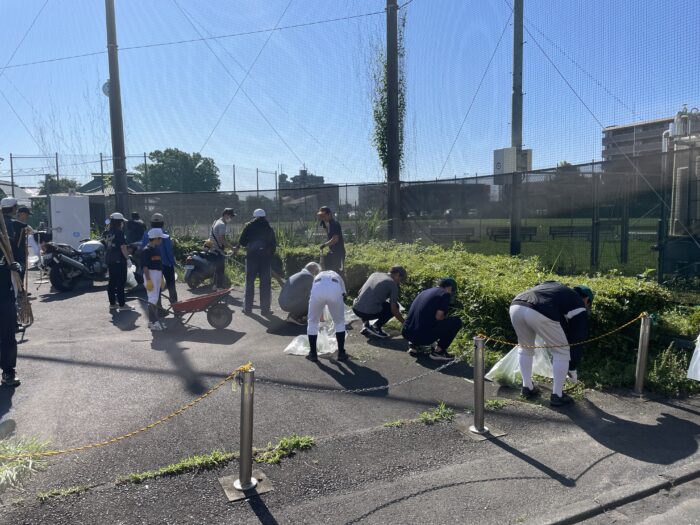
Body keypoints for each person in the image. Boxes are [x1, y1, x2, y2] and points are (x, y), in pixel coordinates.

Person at [509, 281, 594, 407]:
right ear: (586, 299)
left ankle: (527, 387)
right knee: (562, 351)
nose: (587, 307)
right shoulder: (579, 304)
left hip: (517, 304)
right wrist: (572, 367)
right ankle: (557, 395)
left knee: (525, 348)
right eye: (589, 304)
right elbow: (577, 338)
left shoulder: (559, 291)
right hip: (539, 309)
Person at [402, 278, 462, 361]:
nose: (452, 293)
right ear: (450, 288)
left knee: (421, 319)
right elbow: (439, 317)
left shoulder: (424, 292)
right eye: (453, 291)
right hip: (422, 337)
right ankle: (439, 352)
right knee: (456, 321)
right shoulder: (445, 294)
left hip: (407, 332)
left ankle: (414, 346)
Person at [238, 209, 277, 315]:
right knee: (265, 284)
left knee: (249, 283)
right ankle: (265, 310)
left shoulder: (249, 226)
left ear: (254, 216)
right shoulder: (269, 227)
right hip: (265, 260)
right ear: (264, 216)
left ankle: (247, 309)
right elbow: (273, 245)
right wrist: (269, 256)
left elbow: (242, 241)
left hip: (251, 258)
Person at [306, 269, 348, 362]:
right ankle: (341, 353)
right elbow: (344, 294)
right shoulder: (337, 276)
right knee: (339, 322)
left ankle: (313, 353)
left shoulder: (317, 276)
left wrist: (321, 318)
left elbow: (315, 296)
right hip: (335, 289)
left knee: (312, 322)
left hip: (317, 290)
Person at [353, 266, 407, 338]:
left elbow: (360, 292)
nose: (399, 281)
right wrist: (404, 322)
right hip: (367, 313)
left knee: (367, 300)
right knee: (396, 306)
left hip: (356, 309)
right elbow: (394, 310)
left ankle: (366, 325)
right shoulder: (393, 284)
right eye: (401, 278)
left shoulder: (375, 274)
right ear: (397, 274)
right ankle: (376, 327)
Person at [141, 213, 177, 304]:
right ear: (162, 223)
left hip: (153, 266)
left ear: (151, 223)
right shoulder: (163, 234)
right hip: (166, 264)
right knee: (171, 286)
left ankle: (159, 310)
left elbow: (143, 249)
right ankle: (176, 308)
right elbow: (168, 250)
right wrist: (172, 262)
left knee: (156, 288)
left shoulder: (146, 234)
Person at [102, 212, 134, 312]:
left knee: (112, 282)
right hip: (119, 260)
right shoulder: (119, 233)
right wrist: (128, 259)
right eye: (121, 222)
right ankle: (122, 304)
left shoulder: (107, 232)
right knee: (121, 282)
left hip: (110, 259)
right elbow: (123, 247)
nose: (122, 224)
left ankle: (112, 303)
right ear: (119, 222)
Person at [0, 253, 21, 386]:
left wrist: (18, 268)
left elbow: (17, 277)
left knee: (8, 338)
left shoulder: (5, 247)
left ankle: (8, 372)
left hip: (5, 301)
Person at [142, 228, 168, 331]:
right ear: (156, 239)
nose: (161, 241)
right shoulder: (146, 250)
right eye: (160, 239)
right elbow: (145, 267)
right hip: (151, 275)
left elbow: (159, 265)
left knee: (155, 299)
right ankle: (154, 322)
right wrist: (148, 280)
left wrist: (161, 278)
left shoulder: (156, 249)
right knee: (152, 299)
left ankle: (153, 322)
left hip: (157, 275)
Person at [208, 208, 235, 291]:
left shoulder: (216, 221)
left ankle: (215, 286)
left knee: (217, 269)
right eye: (231, 216)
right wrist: (232, 248)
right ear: (226, 215)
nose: (231, 218)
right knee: (220, 270)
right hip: (217, 250)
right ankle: (219, 288)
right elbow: (222, 239)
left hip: (213, 248)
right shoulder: (222, 224)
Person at [317, 206, 345, 274]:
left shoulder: (334, 224)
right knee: (330, 272)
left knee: (338, 273)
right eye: (321, 216)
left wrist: (324, 245)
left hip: (339, 253)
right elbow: (327, 234)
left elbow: (335, 239)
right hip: (332, 252)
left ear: (329, 214)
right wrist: (324, 225)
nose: (322, 218)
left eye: (323, 215)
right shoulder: (328, 223)